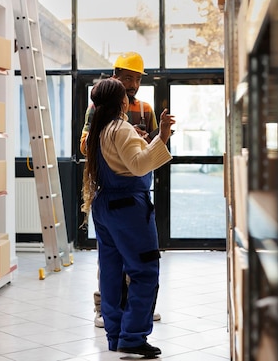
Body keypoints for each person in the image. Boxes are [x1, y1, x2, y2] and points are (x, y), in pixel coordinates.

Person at [81, 77, 175, 357]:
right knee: (144, 271)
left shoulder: (100, 129)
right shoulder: (120, 129)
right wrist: (163, 137)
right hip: (128, 209)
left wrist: (136, 140)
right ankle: (133, 337)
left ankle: (115, 334)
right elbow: (138, 166)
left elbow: (121, 158)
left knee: (111, 272)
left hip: (105, 206)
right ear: (122, 101)